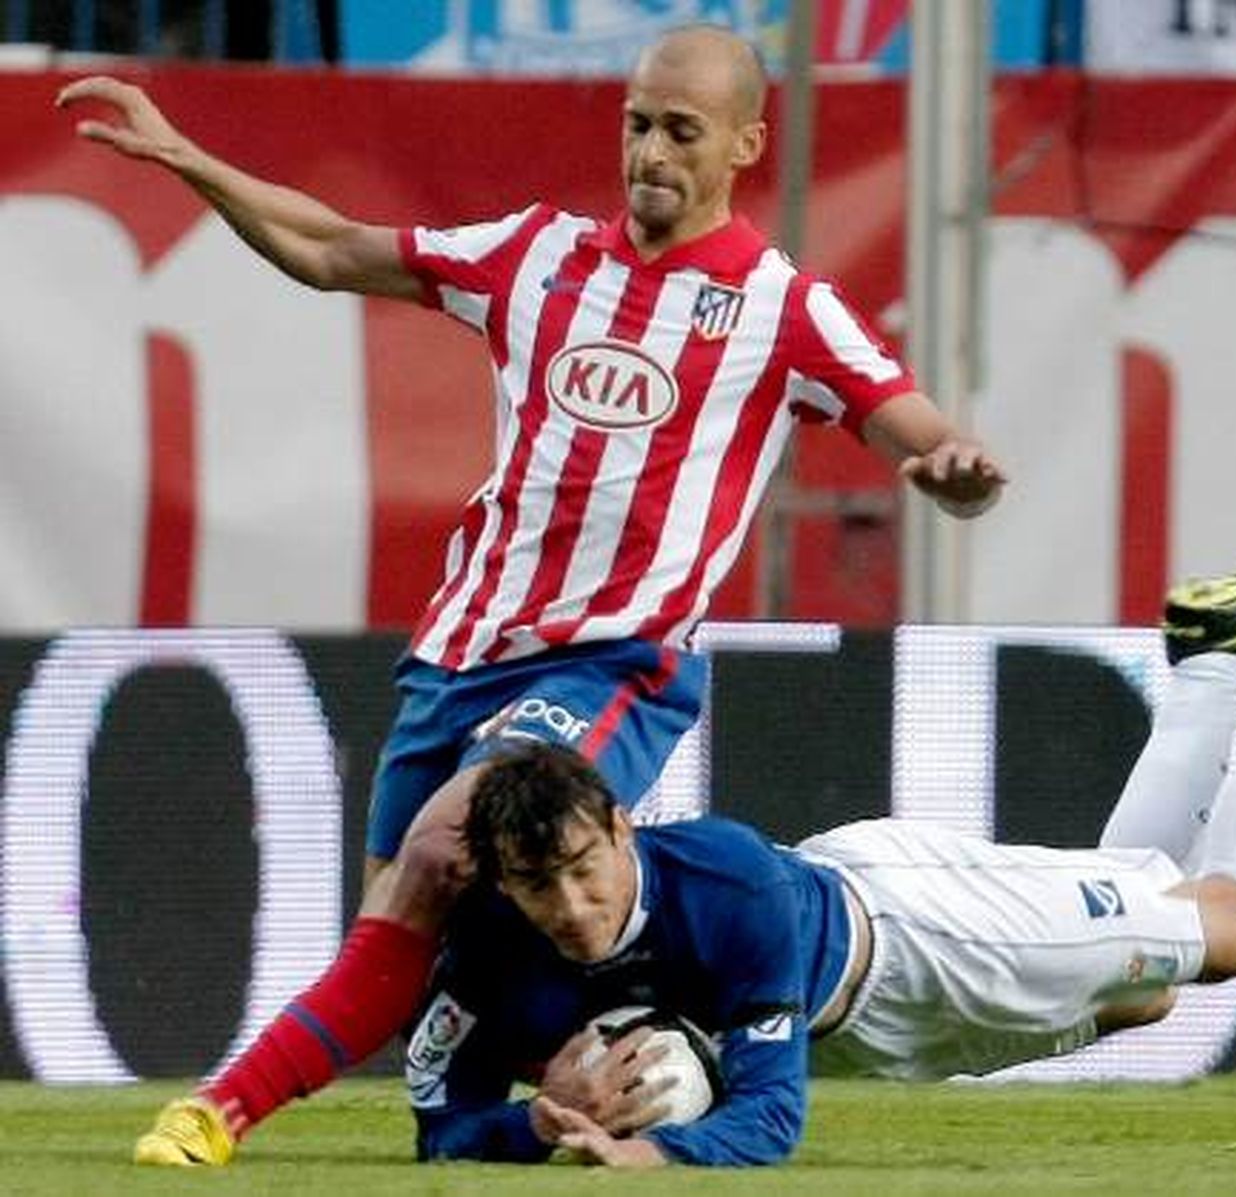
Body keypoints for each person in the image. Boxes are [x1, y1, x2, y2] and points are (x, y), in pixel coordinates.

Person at [54, 24, 1007, 1167]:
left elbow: (920, 433)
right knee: (424, 945)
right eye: (637, 124)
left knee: (442, 851)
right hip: (459, 655)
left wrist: (948, 468)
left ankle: (216, 1114)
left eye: (682, 132)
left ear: (747, 143)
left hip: (615, 663)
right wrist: (186, 158)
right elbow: (329, 248)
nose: (651, 151)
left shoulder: (780, 309)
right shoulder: (538, 255)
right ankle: (602, 1081)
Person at [391, 552, 1236, 1167]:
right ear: (500, 879)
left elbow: (770, 1119)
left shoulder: (718, 884)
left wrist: (662, 1166)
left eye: (589, 869)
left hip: (917, 941)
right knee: (1151, 993)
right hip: (875, 1032)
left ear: (624, 829)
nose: (575, 906)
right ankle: (1218, 664)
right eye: (540, 886)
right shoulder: (488, 949)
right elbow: (440, 1128)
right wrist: (530, 1128)